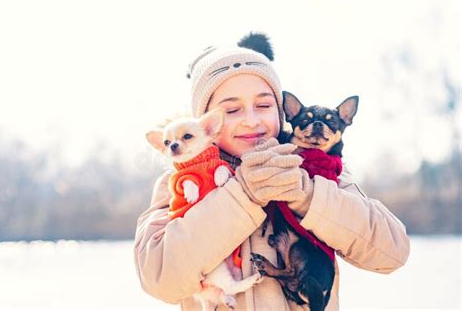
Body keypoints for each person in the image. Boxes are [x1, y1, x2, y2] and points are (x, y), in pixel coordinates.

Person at [133, 33, 410, 310]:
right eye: (231, 110)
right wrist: (242, 194)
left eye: (264, 105)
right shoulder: (181, 182)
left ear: (280, 112)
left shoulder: (318, 171)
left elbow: (392, 253)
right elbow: (159, 278)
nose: (251, 120)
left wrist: (307, 195)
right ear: (207, 124)